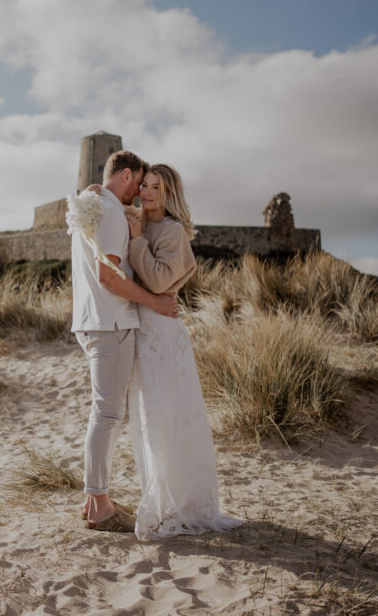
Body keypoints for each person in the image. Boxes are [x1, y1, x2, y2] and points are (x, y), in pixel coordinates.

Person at [123, 163, 244, 541]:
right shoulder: (136, 220)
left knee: (170, 417)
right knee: (149, 418)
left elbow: (158, 280)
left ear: (169, 193)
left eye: (156, 188)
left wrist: (137, 240)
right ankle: (159, 497)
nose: (147, 193)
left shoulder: (172, 231)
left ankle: (182, 505)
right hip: (142, 329)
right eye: (144, 185)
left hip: (161, 332)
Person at [70, 150, 179, 532]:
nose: (140, 193)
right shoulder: (111, 212)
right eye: (139, 183)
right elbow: (109, 277)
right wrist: (154, 302)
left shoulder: (93, 205)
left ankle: (93, 500)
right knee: (107, 415)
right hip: (111, 323)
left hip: (93, 321)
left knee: (104, 412)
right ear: (127, 175)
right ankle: (100, 504)